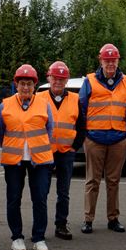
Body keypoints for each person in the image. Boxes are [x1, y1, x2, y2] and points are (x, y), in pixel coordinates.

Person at [79, 44, 126, 234]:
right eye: (107, 60)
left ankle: (113, 219)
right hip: (94, 139)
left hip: (118, 139)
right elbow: (81, 108)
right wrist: (85, 135)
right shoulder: (90, 81)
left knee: (113, 181)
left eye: (113, 60)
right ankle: (88, 219)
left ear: (118, 61)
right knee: (92, 181)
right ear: (101, 61)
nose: (110, 64)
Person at [0, 64, 54, 250]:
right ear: (16, 84)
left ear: (34, 85)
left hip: (40, 159)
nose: (26, 87)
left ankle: (39, 238)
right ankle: (17, 237)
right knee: (14, 199)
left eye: (29, 84)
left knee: (40, 199)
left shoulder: (44, 104)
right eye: (22, 83)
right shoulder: (5, 105)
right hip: (14, 160)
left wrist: (38, 145)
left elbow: (49, 129)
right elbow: (0, 131)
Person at [36, 61, 85, 240]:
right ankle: (39, 228)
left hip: (66, 152)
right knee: (42, 191)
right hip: (45, 153)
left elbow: (82, 126)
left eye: (62, 79)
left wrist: (74, 147)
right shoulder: (39, 98)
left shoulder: (75, 99)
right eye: (55, 78)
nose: (58, 82)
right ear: (49, 78)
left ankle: (61, 224)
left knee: (63, 192)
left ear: (66, 80)